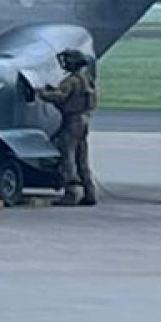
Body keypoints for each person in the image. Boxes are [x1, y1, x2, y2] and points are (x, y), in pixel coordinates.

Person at [39, 49, 99, 206]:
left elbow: (60, 97)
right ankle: (90, 193)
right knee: (82, 159)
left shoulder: (70, 81)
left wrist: (42, 93)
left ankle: (71, 193)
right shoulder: (86, 80)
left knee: (68, 157)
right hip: (83, 120)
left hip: (71, 121)